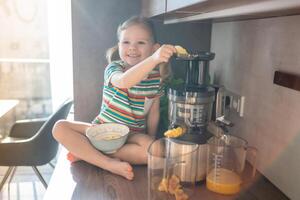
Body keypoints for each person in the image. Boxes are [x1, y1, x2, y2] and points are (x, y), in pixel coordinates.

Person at [52, 16, 176, 180]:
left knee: (157, 150)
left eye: (140, 43)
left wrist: (150, 140)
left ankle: (88, 153)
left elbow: (154, 113)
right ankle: (107, 163)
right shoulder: (114, 68)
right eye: (126, 42)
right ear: (119, 46)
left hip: (131, 135)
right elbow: (124, 81)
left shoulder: (156, 78)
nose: (132, 48)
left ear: (154, 48)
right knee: (59, 127)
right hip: (102, 130)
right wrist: (153, 60)